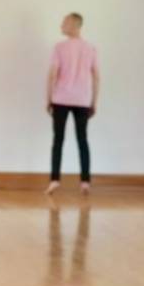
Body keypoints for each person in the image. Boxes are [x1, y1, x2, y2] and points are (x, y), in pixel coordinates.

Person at [47, 13, 99, 195]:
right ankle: (85, 182)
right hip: (83, 99)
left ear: (75, 25)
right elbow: (96, 77)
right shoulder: (90, 48)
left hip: (61, 98)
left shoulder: (59, 47)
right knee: (83, 140)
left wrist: (48, 98)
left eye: (65, 22)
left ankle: (54, 180)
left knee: (58, 140)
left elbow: (53, 74)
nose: (61, 25)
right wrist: (94, 101)